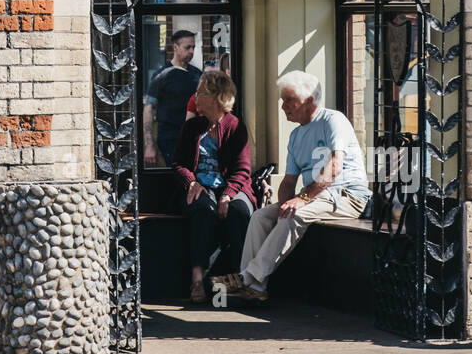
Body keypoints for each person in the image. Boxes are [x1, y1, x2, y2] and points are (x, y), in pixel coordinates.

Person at [212, 70, 371, 303]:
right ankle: (255, 288)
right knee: (260, 216)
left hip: (346, 195)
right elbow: (288, 182)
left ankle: (247, 278)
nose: (283, 106)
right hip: (316, 198)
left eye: (289, 100)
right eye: (282, 100)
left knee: (294, 213)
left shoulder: (332, 120)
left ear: (308, 101)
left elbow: (334, 167)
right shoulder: (296, 135)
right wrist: (286, 201)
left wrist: (300, 200)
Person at [173, 69, 255, 303]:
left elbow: (242, 170)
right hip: (200, 186)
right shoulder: (192, 127)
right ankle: (197, 279)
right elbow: (178, 163)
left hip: (232, 187)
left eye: (199, 92)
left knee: (239, 211)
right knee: (203, 210)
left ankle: (241, 281)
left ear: (215, 97)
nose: (195, 97)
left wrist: (228, 195)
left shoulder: (235, 126)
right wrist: (191, 182)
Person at [143, 30, 200, 169]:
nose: (191, 51)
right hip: (170, 138)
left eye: (193, 47)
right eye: (187, 47)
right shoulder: (162, 75)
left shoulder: (197, 74)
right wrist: (149, 145)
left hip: (194, 138)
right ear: (175, 47)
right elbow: (149, 109)